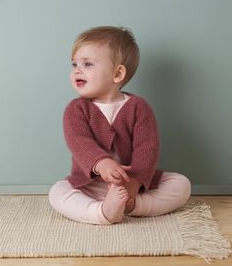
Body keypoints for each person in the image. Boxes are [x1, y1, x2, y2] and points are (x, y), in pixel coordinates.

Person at [49, 26, 191, 225]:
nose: (77, 71)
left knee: (181, 184)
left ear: (117, 73)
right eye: (74, 65)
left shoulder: (139, 108)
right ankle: (102, 211)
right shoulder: (76, 109)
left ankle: (133, 205)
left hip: (131, 183)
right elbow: (79, 142)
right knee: (57, 192)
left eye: (87, 64)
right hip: (91, 184)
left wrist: (133, 184)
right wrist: (101, 163)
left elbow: (147, 148)